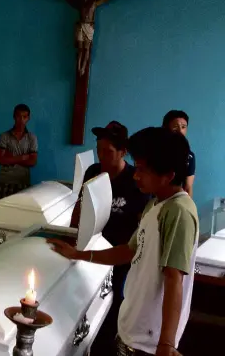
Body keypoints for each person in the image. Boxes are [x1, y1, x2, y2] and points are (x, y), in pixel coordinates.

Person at [49, 127, 198, 356]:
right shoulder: (157, 203)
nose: (135, 175)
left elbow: (174, 279)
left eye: (141, 169)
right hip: (132, 331)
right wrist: (78, 254)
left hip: (151, 342)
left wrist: (166, 344)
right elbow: (128, 251)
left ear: (168, 175)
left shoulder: (178, 212)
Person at [70, 121, 150, 355]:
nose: (102, 156)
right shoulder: (94, 172)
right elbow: (80, 205)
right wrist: (72, 233)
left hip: (119, 255)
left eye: (109, 151)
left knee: (112, 306)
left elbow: (141, 224)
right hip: (92, 251)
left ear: (123, 151)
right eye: (99, 150)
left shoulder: (135, 181)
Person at [0, 104, 38, 199]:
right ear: (14, 117)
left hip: (23, 181)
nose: (21, 120)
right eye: (18, 116)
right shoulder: (5, 136)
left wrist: (10, 158)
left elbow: (32, 162)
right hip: (5, 181)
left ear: (28, 118)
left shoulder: (32, 138)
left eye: (24, 117)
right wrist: (23, 157)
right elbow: (1, 160)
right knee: (3, 212)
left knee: (20, 212)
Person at [162, 110, 195, 197]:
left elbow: (188, 187)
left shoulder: (189, 156)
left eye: (183, 127)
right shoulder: (156, 151)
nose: (180, 131)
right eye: (175, 127)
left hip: (176, 200)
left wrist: (188, 206)